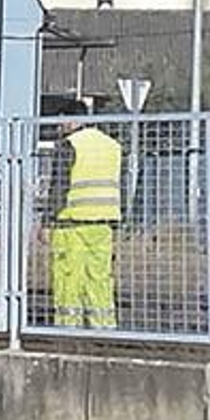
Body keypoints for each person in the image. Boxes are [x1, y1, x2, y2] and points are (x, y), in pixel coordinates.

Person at [47, 104, 123, 329]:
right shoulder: (112, 146)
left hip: (70, 223)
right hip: (104, 224)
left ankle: (68, 326)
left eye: (61, 121)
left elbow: (59, 186)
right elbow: (122, 185)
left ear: (70, 120)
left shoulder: (69, 145)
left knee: (68, 278)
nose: (60, 126)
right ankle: (103, 325)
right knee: (99, 277)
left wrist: (47, 221)